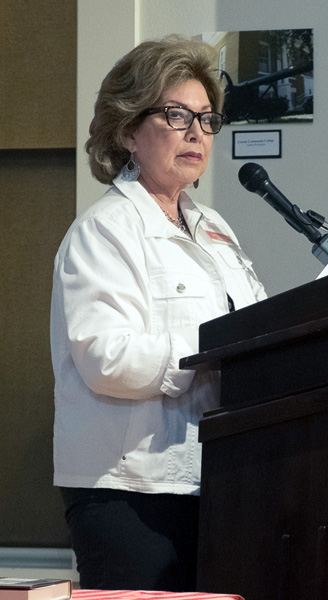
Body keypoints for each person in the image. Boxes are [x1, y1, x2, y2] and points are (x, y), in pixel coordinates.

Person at [50, 35, 266, 592]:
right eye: (177, 115)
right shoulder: (103, 231)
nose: (197, 133)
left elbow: (257, 326)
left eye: (207, 119)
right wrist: (211, 350)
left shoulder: (215, 229)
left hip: (217, 479)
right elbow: (106, 358)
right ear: (127, 130)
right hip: (129, 494)